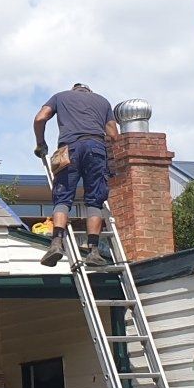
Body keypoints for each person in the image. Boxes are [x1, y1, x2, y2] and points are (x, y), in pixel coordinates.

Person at [33, 83, 119, 266]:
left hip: (69, 149)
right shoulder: (103, 101)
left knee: (62, 198)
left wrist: (41, 143)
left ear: (74, 90)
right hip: (96, 148)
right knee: (94, 200)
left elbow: (40, 118)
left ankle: (56, 243)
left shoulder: (60, 96)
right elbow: (113, 134)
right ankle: (93, 251)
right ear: (89, 91)